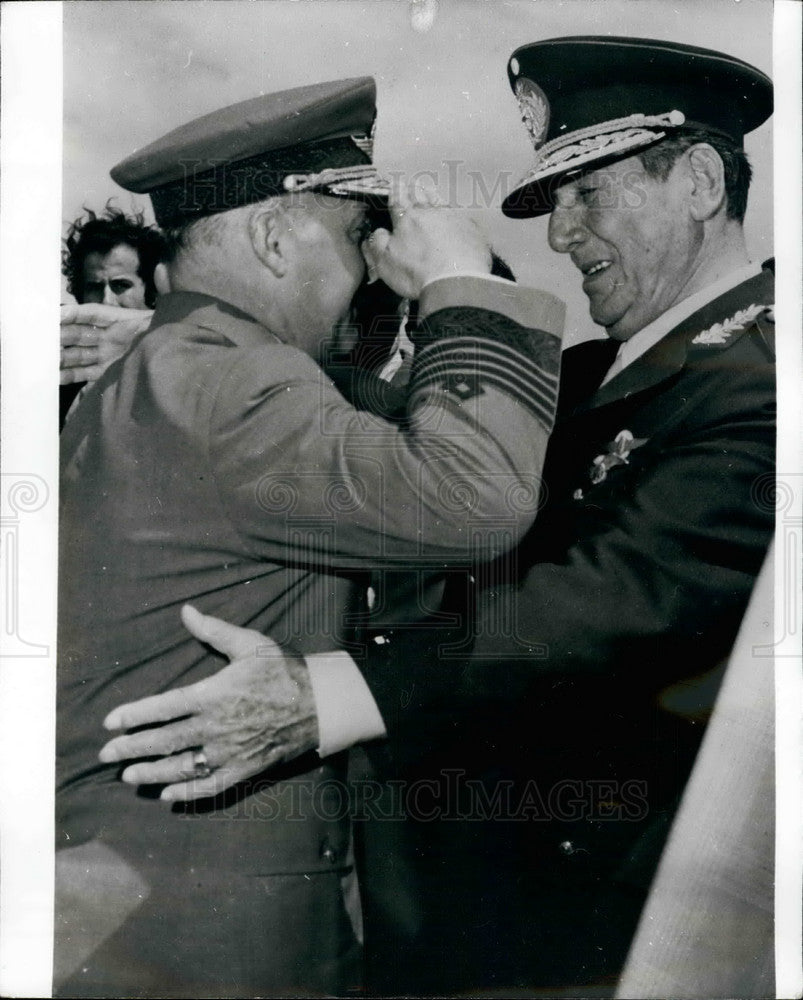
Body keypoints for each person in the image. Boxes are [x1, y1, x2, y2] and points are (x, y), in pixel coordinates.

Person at [98, 37, 776, 995]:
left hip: (596, 926)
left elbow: (609, 603)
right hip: (470, 901)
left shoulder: (764, 386)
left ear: (700, 180)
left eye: (588, 194)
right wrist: (195, 341)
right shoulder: (590, 371)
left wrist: (323, 696)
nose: (562, 235)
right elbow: (377, 449)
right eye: (555, 202)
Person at [56, 76, 564, 998]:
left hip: (152, 888)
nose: (367, 271)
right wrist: (461, 283)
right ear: (273, 235)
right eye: (347, 238)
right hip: (199, 920)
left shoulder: (189, 366)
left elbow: (375, 419)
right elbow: (472, 498)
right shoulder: (230, 384)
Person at [59, 205, 166, 426]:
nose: (107, 301)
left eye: (120, 285)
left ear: (152, 288)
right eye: (94, 287)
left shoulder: (176, 358)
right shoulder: (63, 370)